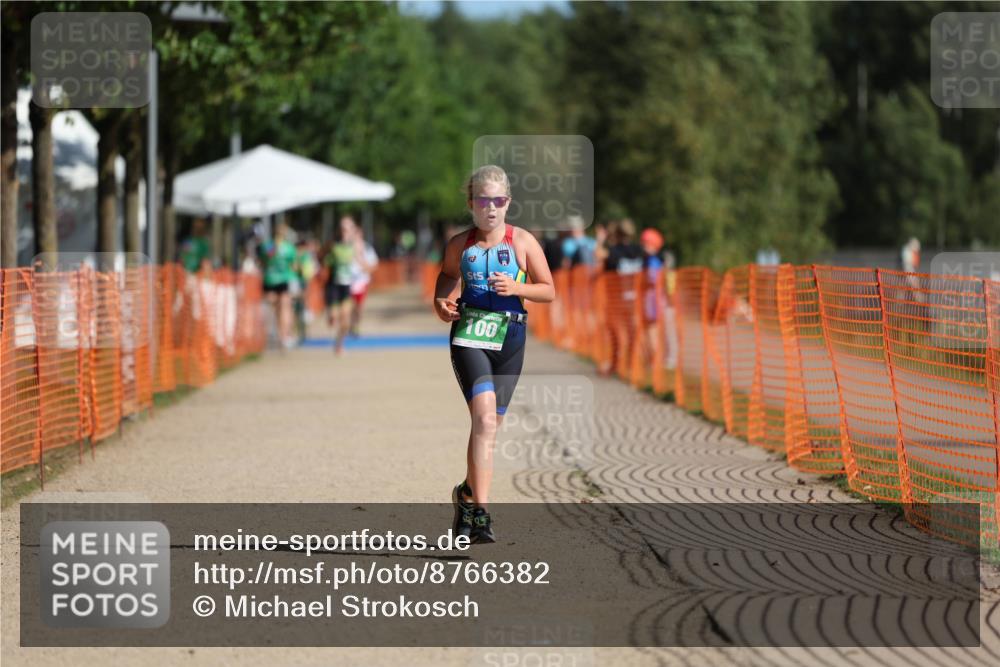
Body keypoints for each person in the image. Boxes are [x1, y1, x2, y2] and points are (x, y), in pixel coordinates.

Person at [433, 165, 555, 543]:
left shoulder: (523, 242)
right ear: (471, 203)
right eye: (483, 200)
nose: (491, 208)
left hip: (510, 338)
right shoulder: (460, 245)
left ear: (508, 203)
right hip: (470, 333)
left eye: (498, 201)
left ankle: (467, 495)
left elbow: (548, 289)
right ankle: (482, 514)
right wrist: (441, 303)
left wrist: (518, 288)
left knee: (490, 427)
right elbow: (447, 276)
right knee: (484, 421)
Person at [323, 216, 362, 355]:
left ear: (352, 230)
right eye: (342, 228)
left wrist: (367, 269)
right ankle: (331, 315)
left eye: (347, 228)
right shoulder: (332, 244)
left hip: (346, 286)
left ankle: (339, 344)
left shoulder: (355, 245)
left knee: (345, 321)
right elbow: (321, 256)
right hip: (333, 285)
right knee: (334, 317)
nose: (344, 231)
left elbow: (360, 262)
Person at [257, 223, 297, 350]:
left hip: (270, 280)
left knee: (275, 307)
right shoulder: (288, 248)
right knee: (284, 307)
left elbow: (262, 262)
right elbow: (294, 265)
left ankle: (277, 334)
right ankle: (283, 335)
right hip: (283, 280)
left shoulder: (268, 246)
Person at [349, 233, 379, 337]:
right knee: (350, 305)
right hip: (349, 282)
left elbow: (374, 265)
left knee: (359, 306)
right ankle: (351, 324)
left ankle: (356, 325)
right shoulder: (347, 247)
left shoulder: (367, 248)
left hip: (362, 281)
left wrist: (364, 265)